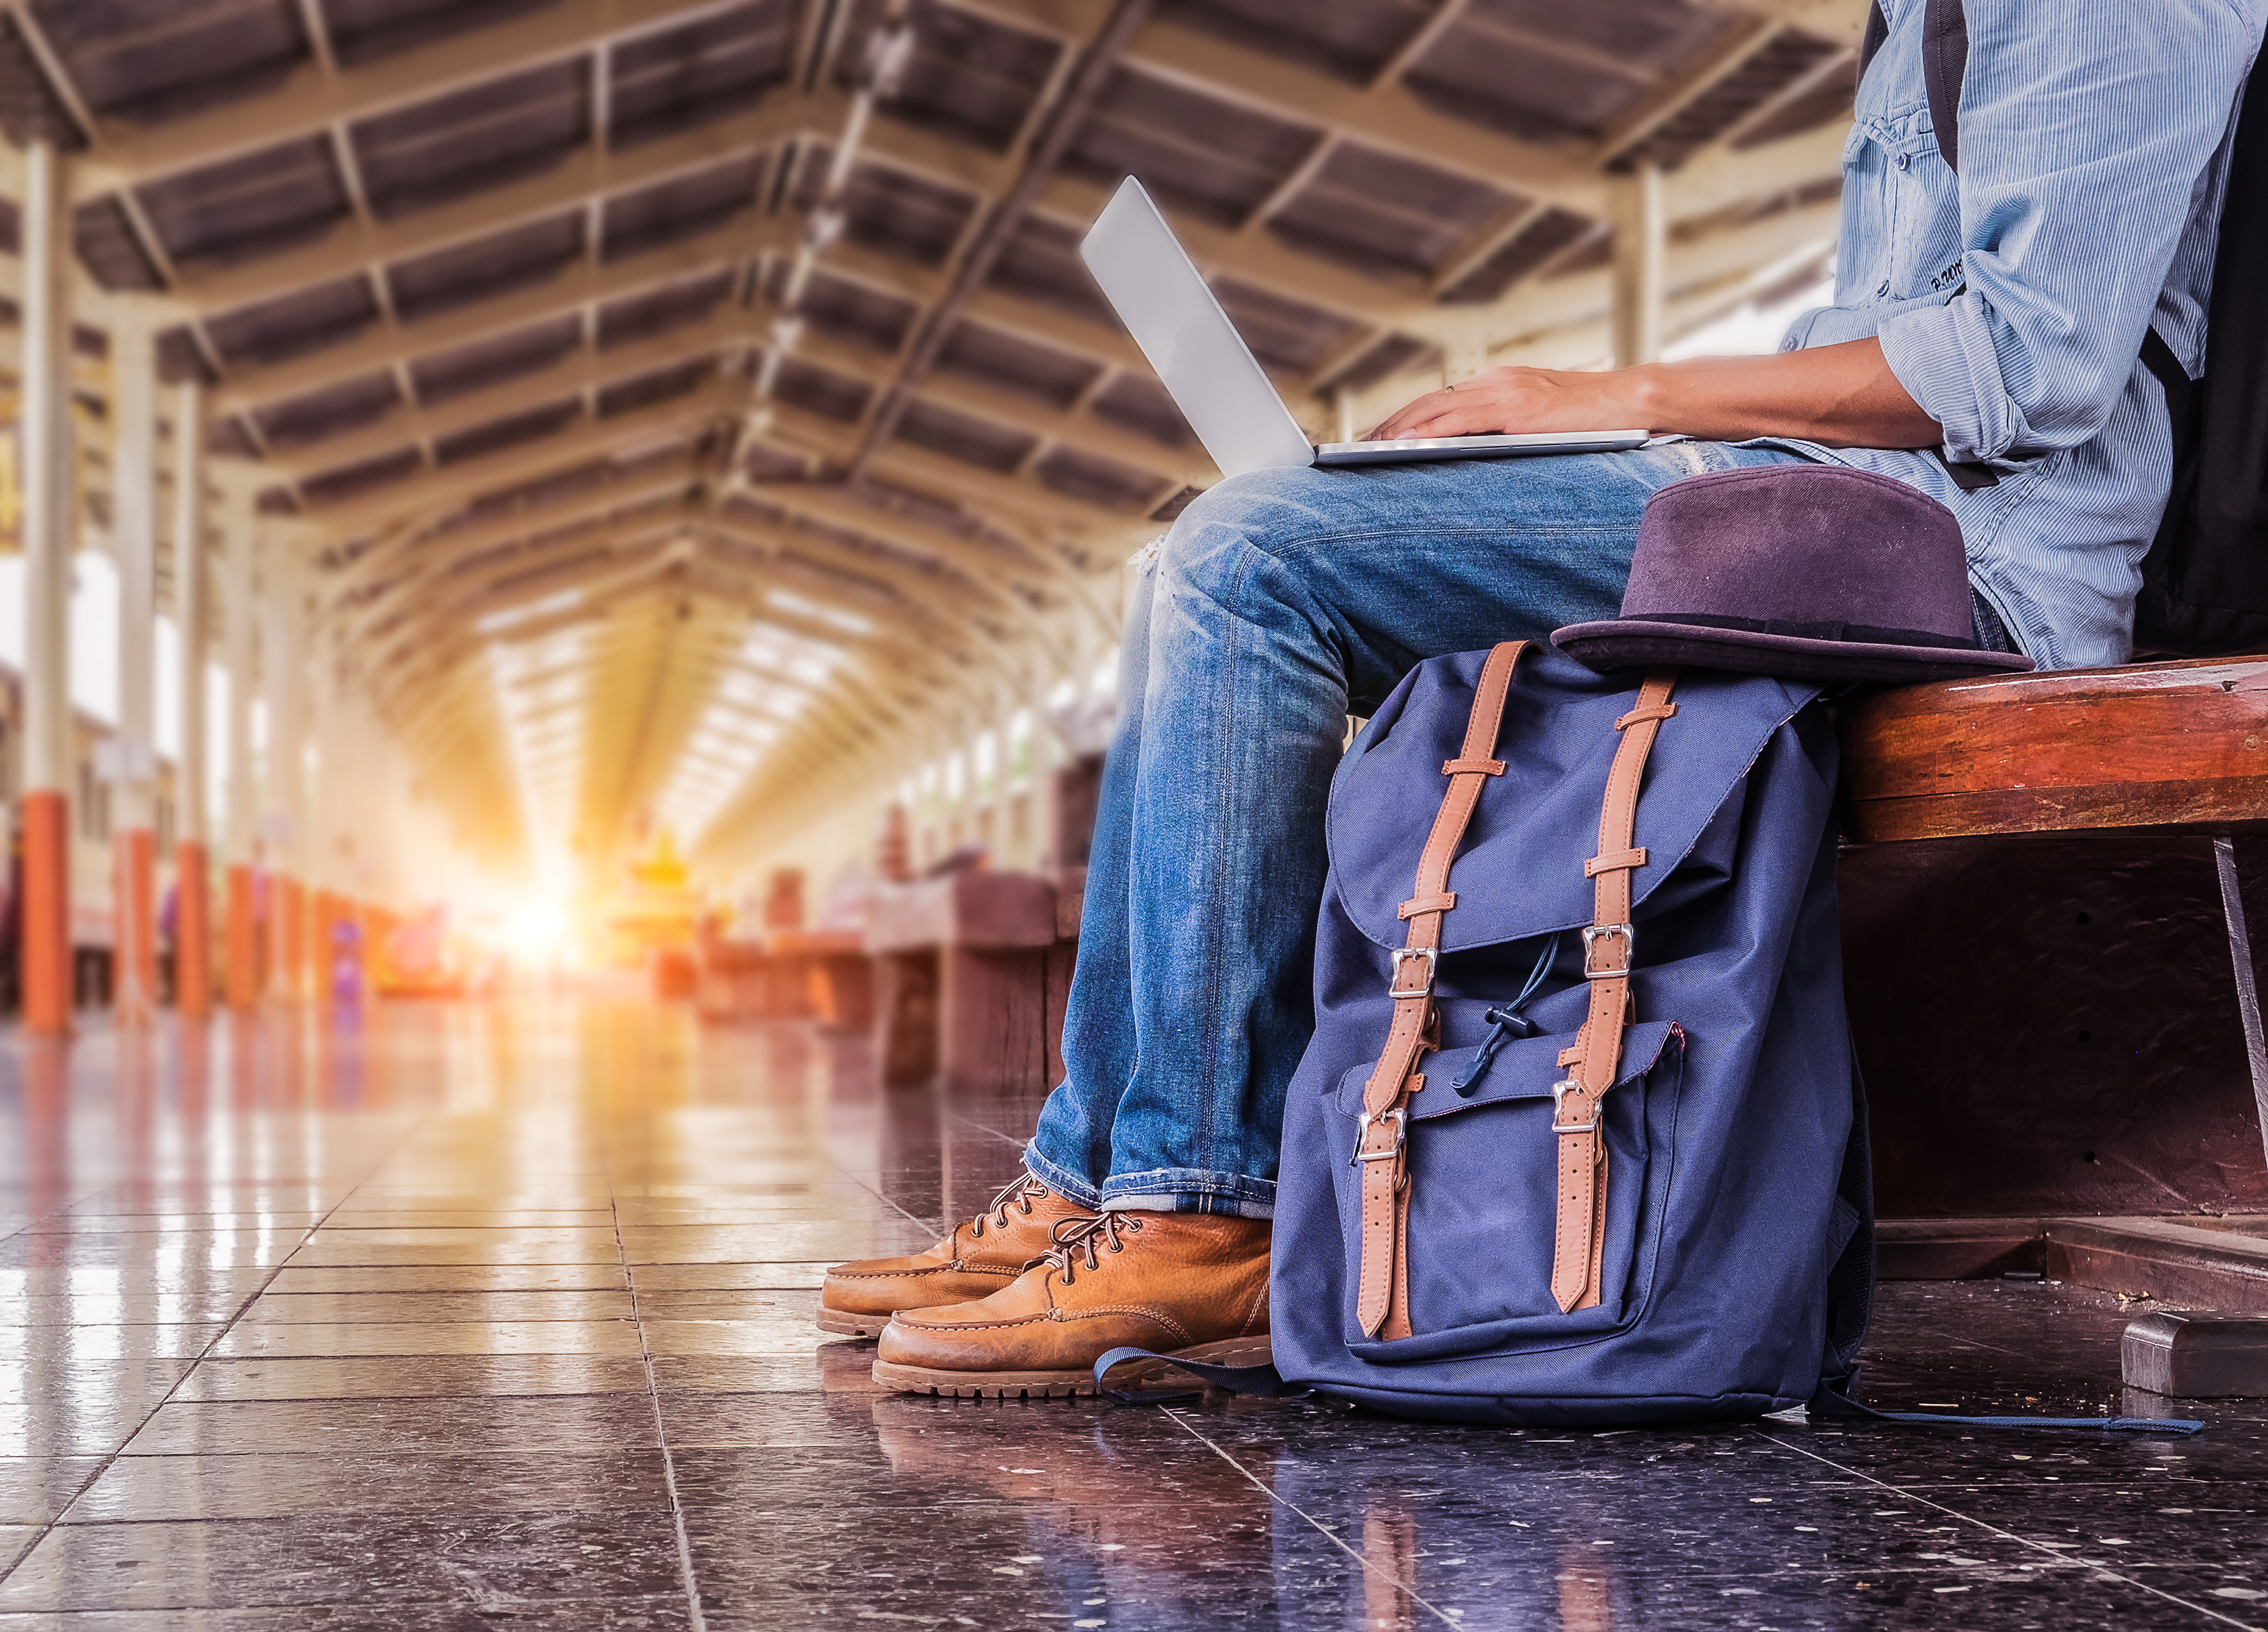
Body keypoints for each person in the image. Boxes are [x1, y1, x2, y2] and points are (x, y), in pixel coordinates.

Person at [822, 0, 2268, 1397]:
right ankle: (1096, 1178)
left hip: (1965, 552)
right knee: (1199, 549)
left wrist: (1600, 393)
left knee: (1249, 558)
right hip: (1838, 501)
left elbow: (2031, 366)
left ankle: (1213, 1209)